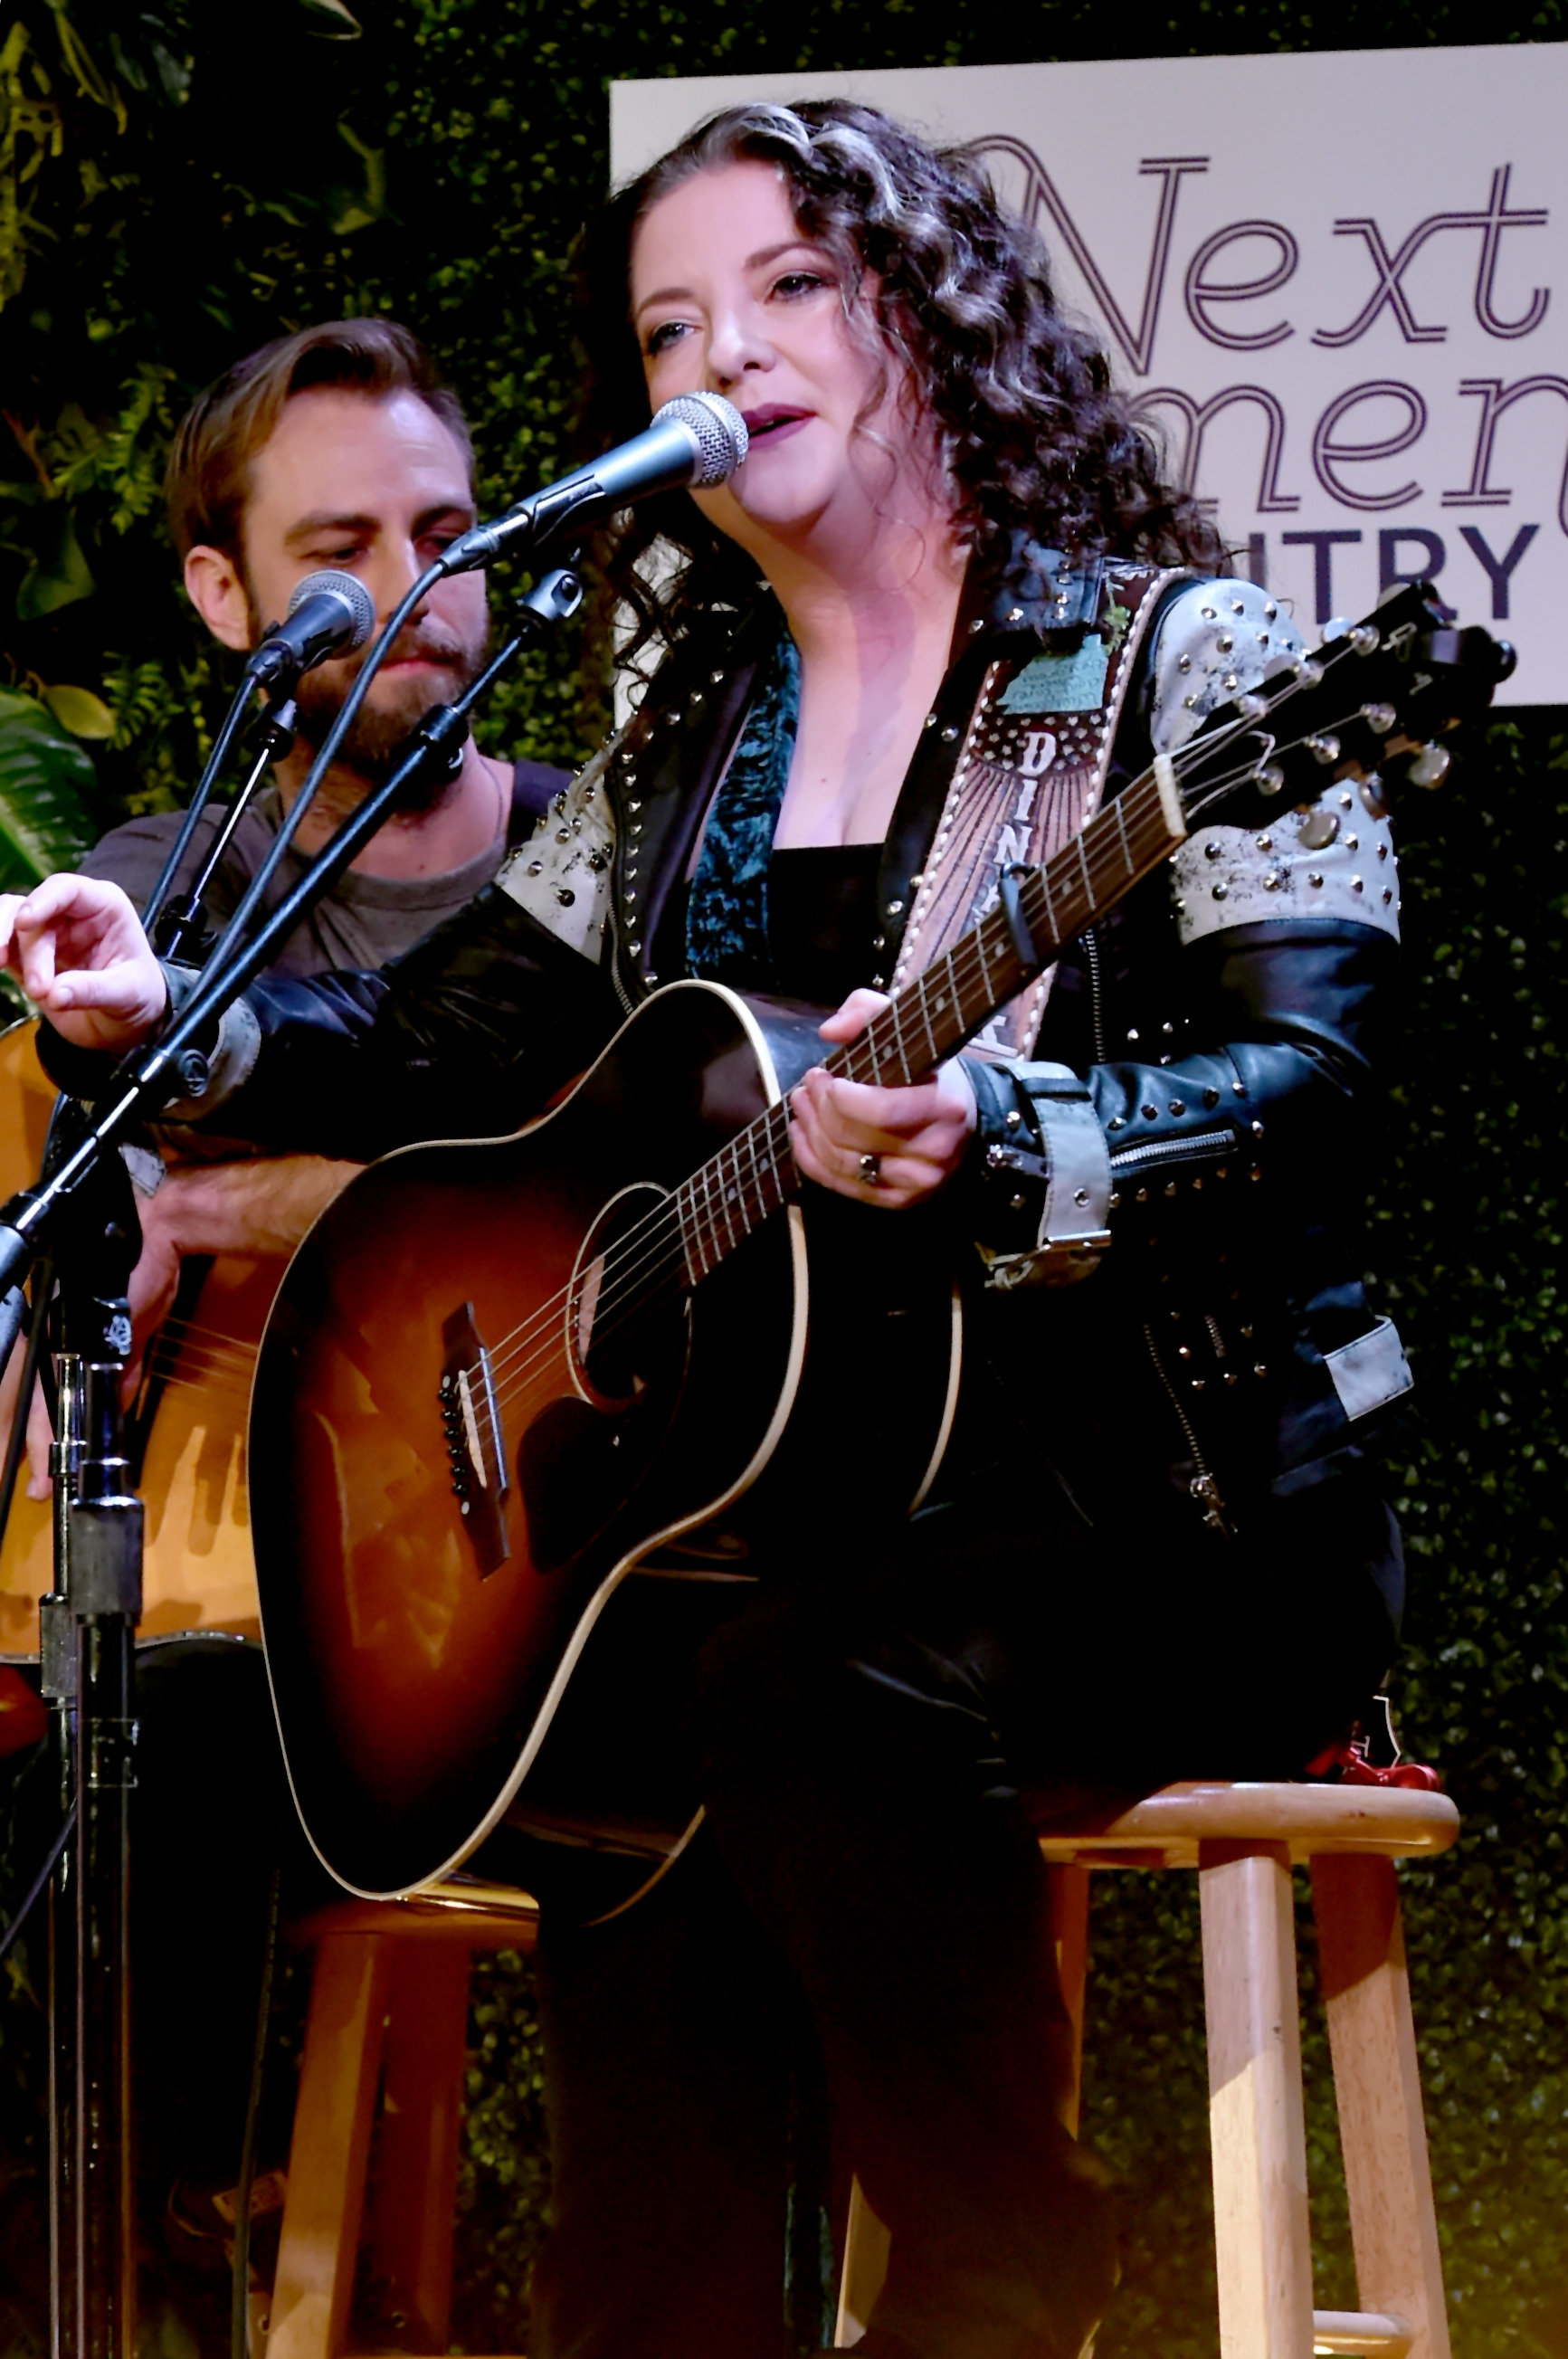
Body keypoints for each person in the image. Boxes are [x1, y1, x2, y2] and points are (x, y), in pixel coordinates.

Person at [3, 101, 1414, 2359]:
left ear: (927, 324)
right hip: (823, 1502)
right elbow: (432, 1044)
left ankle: (1001, 2285)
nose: (723, 351)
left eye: (784, 291)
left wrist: (1004, 1129)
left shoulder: (1186, 659)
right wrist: (174, 1008)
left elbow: (1315, 1094)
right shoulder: (695, 741)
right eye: (673, 320)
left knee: (798, 1671)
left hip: (1191, 1500)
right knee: (598, 1703)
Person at [0, 319, 567, 2345]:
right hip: (231, 1578)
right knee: (132, 1730)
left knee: (195, 1736)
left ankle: (220, 2242)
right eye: (346, 546)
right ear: (222, 596)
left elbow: (560, 1214)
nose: (419, 589)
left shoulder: (604, 859)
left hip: (543, 1570)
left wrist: (246, 1200)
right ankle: (150, 2260)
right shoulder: (165, 902)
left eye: (448, 527)